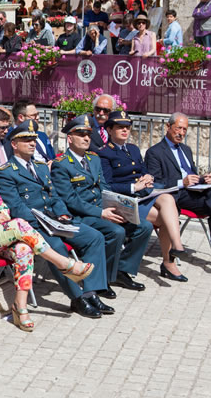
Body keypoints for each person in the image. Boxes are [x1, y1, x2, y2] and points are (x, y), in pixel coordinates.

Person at [0, 138, 93, 331]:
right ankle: (64, 264)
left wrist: (1, 219)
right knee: (20, 224)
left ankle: (20, 307)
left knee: (23, 249)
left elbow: (3, 208)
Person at [0, 122, 112, 318]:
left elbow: (54, 195)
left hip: (56, 220)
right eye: (26, 140)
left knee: (94, 237)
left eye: (33, 139)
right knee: (56, 247)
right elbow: (16, 207)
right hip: (33, 226)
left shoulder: (41, 168)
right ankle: (77, 298)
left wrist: (63, 213)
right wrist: (44, 222)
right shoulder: (5, 172)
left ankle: (91, 292)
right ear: (14, 144)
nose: (32, 143)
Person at [52, 115, 153, 294]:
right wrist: (101, 213)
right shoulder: (62, 164)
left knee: (144, 226)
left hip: (102, 208)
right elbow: (71, 200)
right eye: (81, 135)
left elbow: (104, 188)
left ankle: (121, 270)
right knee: (116, 231)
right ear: (70, 138)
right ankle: (102, 279)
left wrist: (118, 207)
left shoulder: (93, 159)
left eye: (88, 135)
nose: (86, 139)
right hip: (82, 215)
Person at [144, 113, 211, 271]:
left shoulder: (186, 150)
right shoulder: (155, 152)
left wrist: (202, 179)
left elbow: (191, 174)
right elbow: (155, 183)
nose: (181, 133)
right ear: (168, 127)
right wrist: (181, 182)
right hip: (175, 196)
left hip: (193, 192)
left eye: (185, 129)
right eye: (178, 128)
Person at [97, 111, 188, 281]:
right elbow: (107, 185)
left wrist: (148, 177)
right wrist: (134, 187)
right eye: (120, 127)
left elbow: (143, 170)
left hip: (143, 194)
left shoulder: (133, 149)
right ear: (109, 130)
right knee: (168, 218)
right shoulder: (104, 153)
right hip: (124, 199)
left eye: (127, 127)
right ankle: (169, 260)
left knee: (168, 199)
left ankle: (177, 247)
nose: (125, 130)